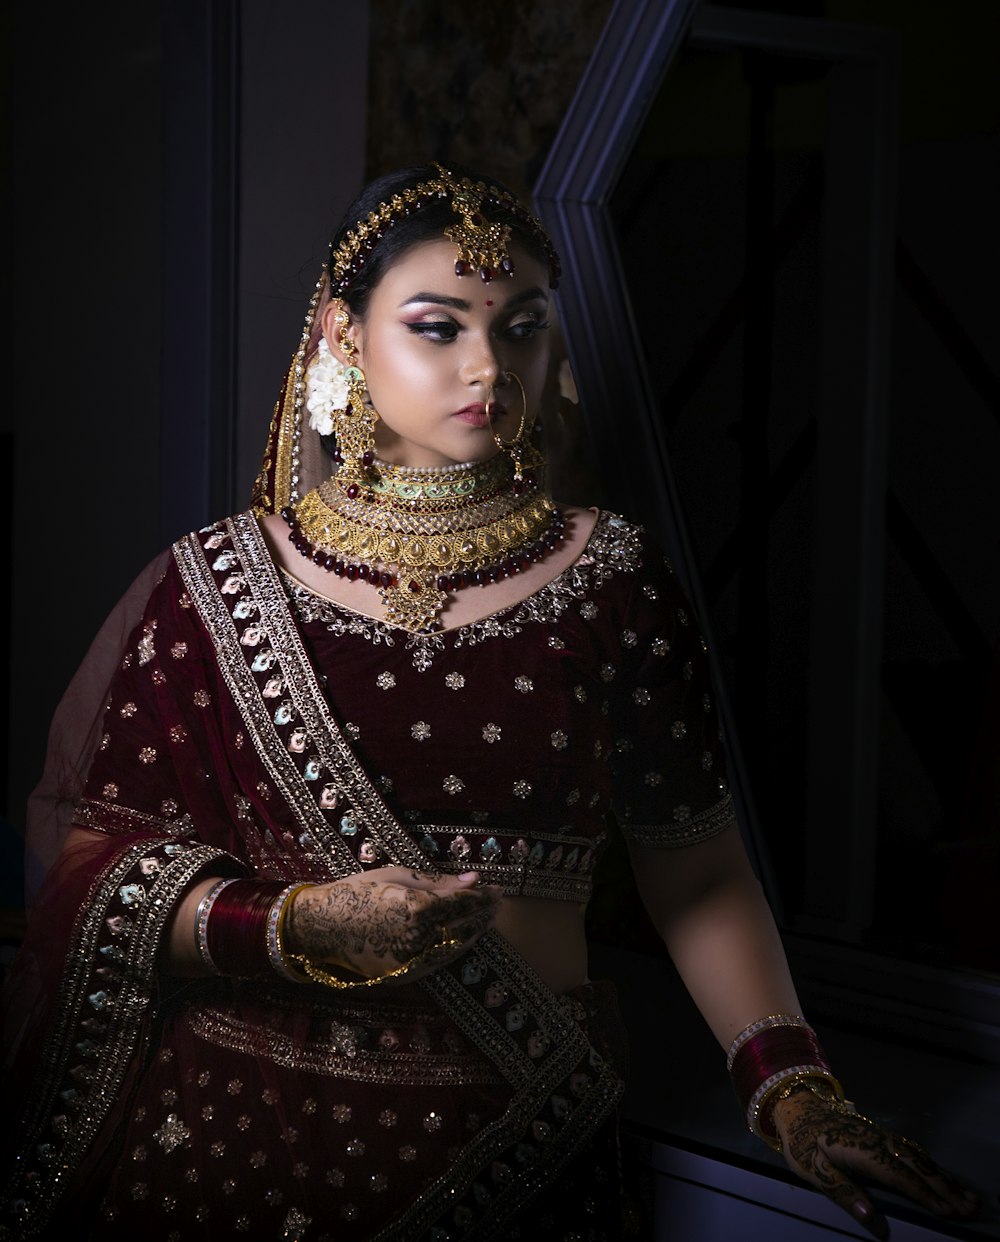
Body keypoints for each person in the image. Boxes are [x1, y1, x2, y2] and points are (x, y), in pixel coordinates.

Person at [0, 164, 979, 1242]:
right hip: (229, 1128)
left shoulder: (612, 577)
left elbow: (694, 868)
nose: (487, 366)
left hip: (513, 1126)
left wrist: (790, 1086)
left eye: (520, 328)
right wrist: (291, 925)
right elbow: (86, 866)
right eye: (437, 326)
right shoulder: (216, 586)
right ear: (340, 334)